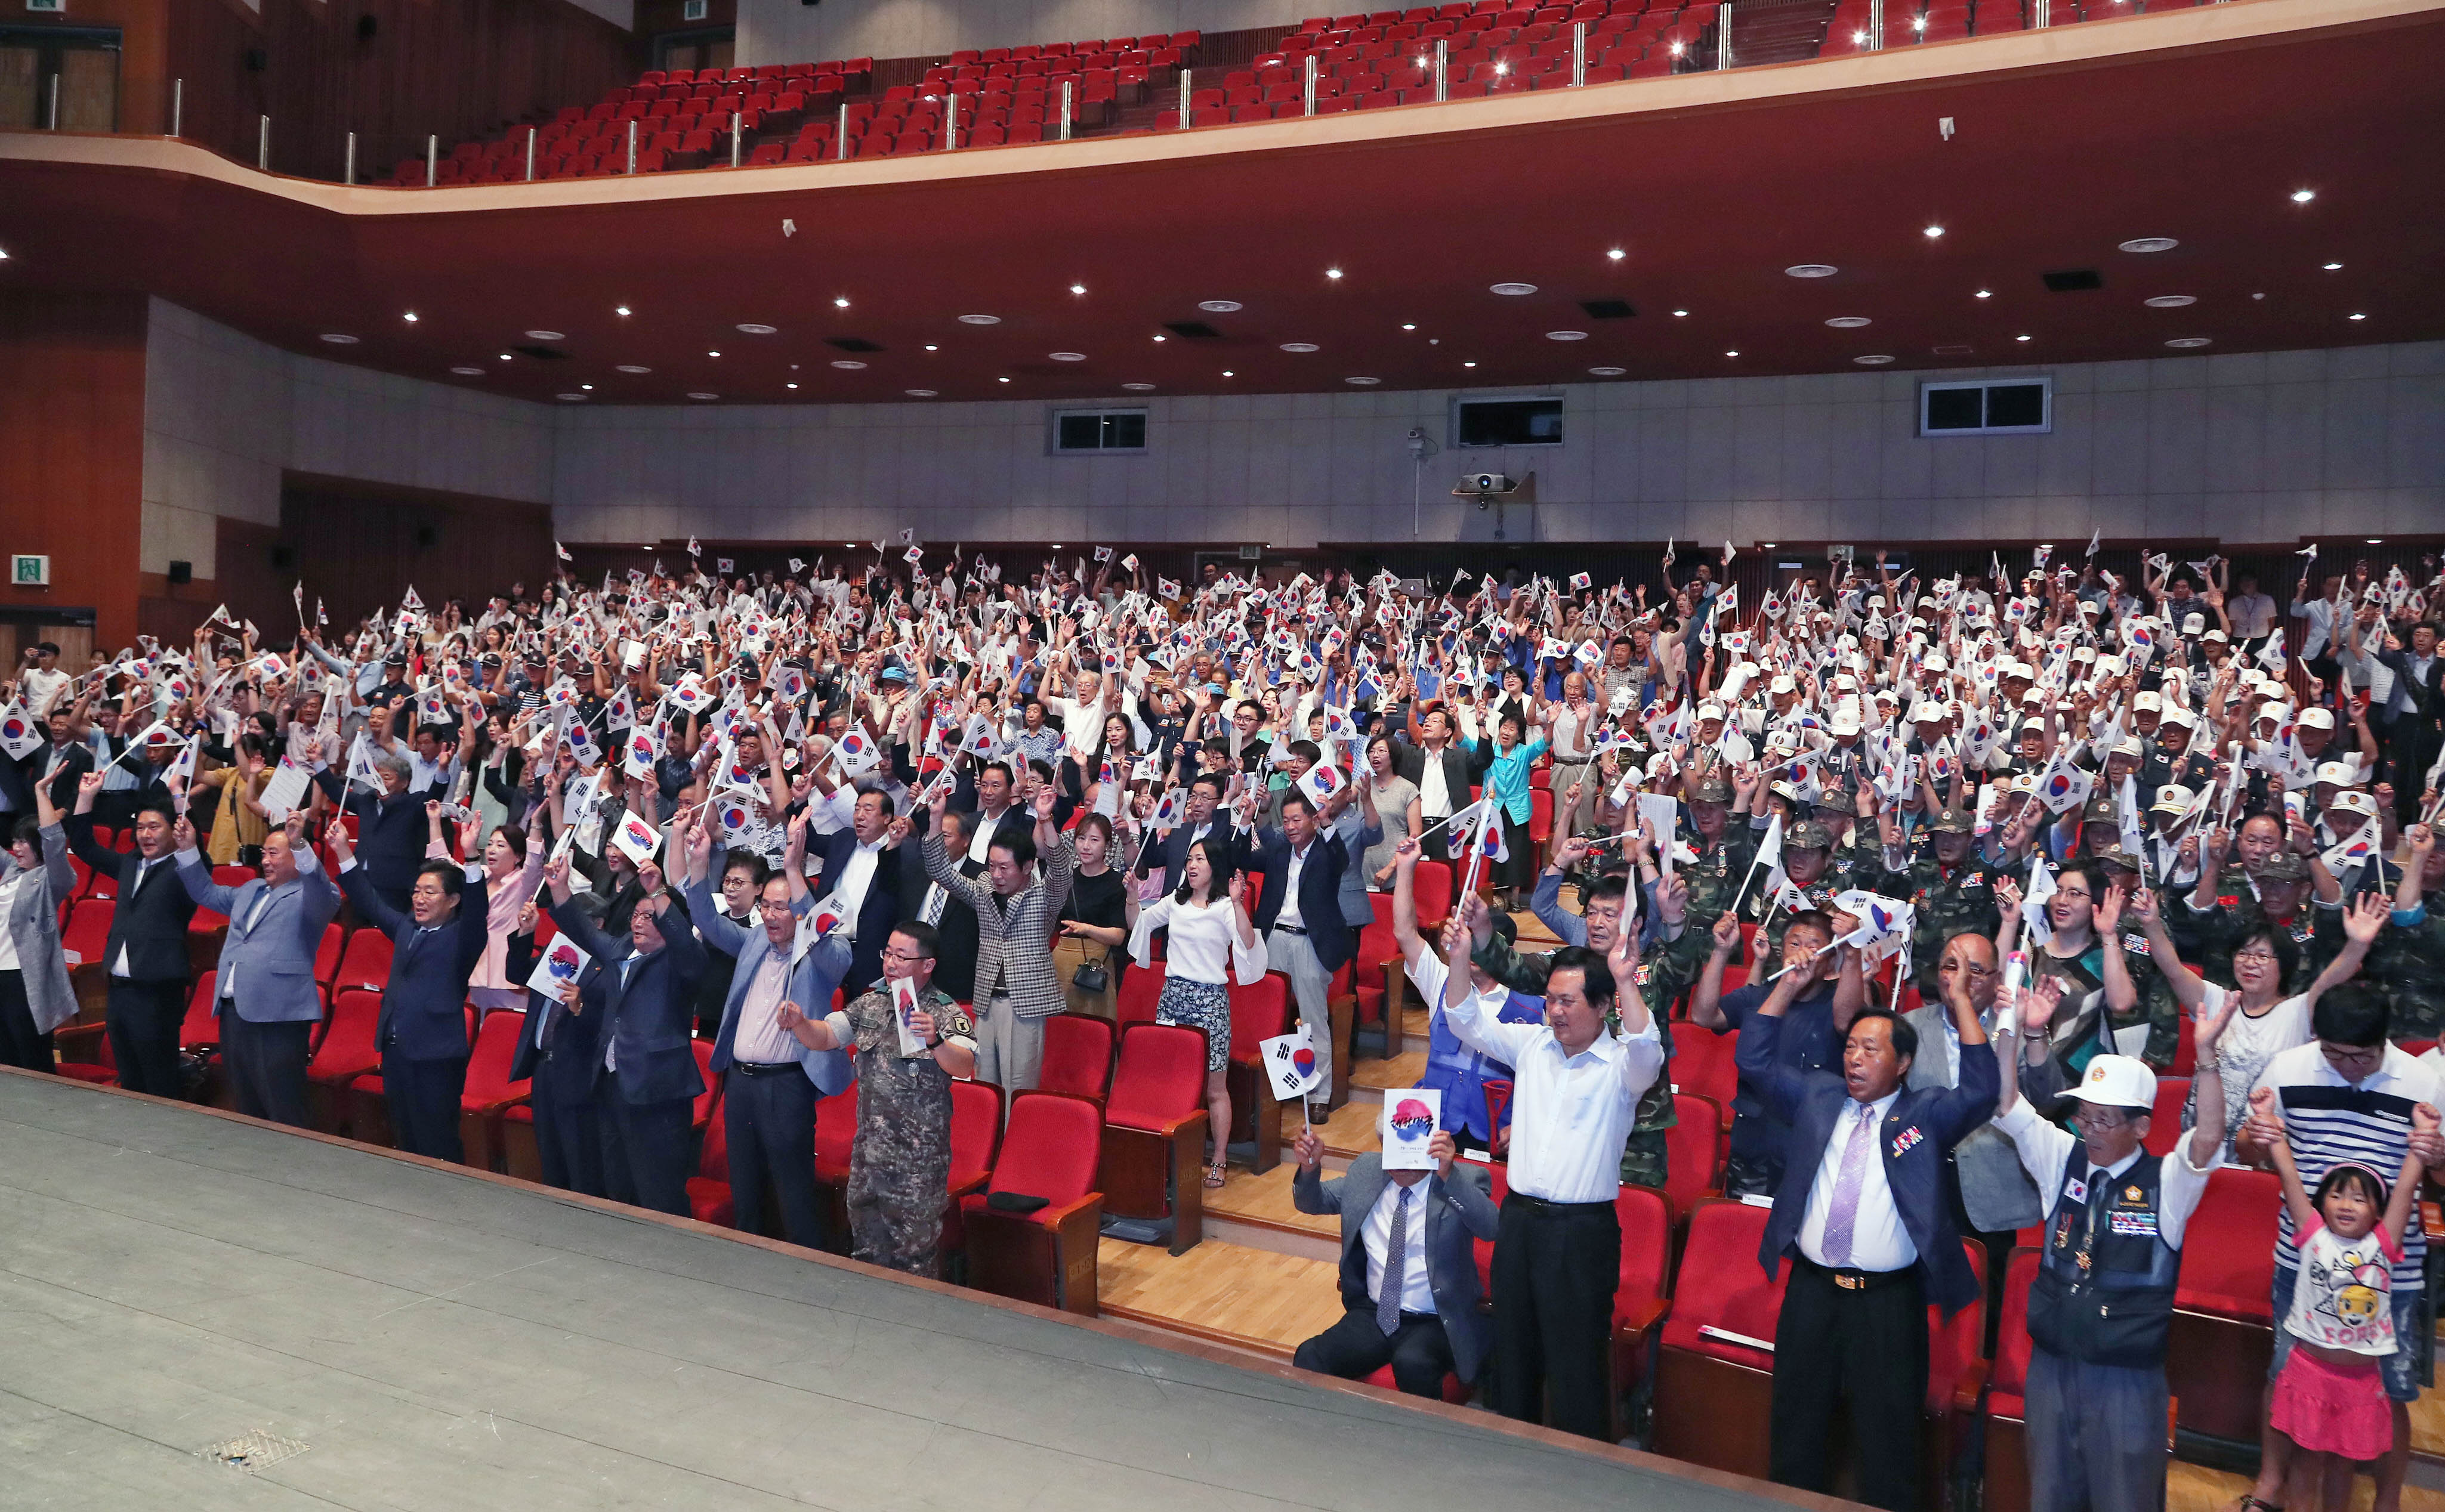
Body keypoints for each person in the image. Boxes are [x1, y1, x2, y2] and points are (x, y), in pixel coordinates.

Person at [1742, 948, 1998, 1511]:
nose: (1855, 1059)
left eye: (1871, 1049)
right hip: (1811, 1293)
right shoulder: (1819, 1096)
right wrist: (1789, 986)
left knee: (1888, 1447)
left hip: (1886, 1305)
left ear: (1903, 1063)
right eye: (1851, 1047)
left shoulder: (1925, 1115)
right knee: (1795, 1431)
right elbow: (1755, 1061)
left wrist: (1959, 1000)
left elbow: (1981, 1093)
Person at [1992, 973, 2237, 1512]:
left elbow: (2209, 1139)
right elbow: (2007, 1104)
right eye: (2084, 1115)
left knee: (2124, 1501)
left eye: (2104, 1119)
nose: (2089, 1129)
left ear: (2142, 1126)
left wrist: (2207, 1058)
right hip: (2053, 1369)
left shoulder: (2167, 1184)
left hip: (2125, 1382)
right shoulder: (2063, 1157)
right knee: (2049, 1497)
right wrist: (2014, 1030)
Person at [1435, 919, 1663, 1440]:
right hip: (1520, 1222)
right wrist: (1459, 957)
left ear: (1603, 1008)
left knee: (1576, 1362)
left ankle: (1579, 1476)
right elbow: (1464, 1018)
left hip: (1581, 1232)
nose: (1555, 1011)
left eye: (1568, 1001)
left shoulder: (1622, 1066)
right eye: (1551, 1000)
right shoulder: (1532, 1046)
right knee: (1513, 1351)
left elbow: (1649, 1048)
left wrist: (1627, 980)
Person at [2237, 986, 2445, 1512]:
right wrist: (2258, 1138)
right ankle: (2269, 1483)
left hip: (2390, 1271)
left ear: (2385, 1044)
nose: (2348, 1067)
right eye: (2335, 1054)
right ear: (2317, 1038)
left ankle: (2388, 1499)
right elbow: (2247, 1150)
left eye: (2362, 1057)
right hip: (2303, 1259)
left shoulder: (2425, 1081)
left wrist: (2438, 1156)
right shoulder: (2287, 1069)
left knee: (2391, 1388)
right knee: (2284, 1375)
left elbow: (2439, 1174)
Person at [681, 809, 854, 1250]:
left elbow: (824, 942)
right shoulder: (756, 939)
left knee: (793, 1192)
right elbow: (706, 920)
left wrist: (794, 870)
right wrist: (700, 865)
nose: (772, 914)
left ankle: (804, 1274)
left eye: (782, 906)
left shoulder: (826, 954)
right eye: (766, 906)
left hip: (787, 1086)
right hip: (740, 1082)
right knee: (745, 1187)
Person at [774, 921, 977, 1274]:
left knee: (913, 1260)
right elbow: (825, 1036)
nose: (891, 963)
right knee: (866, 1255)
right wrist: (801, 1023)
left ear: (927, 965)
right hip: (869, 1157)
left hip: (917, 1165)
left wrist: (936, 1042)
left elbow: (965, 1064)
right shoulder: (871, 1003)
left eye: (902, 956)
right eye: (888, 953)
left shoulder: (945, 1013)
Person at [2263, 1098, 2435, 1510]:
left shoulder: (2385, 1244)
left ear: (2378, 1210)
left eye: (2359, 1199)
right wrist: (2271, 1119)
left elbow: (2408, 1186)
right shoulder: (2311, 1235)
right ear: (2323, 1202)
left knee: (2343, 1468)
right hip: (2310, 1373)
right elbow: (2288, 1173)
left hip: (2360, 1381)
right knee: (2306, 1463)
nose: (2345, 1204)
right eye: (2338, 1195)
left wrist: (2422, 1136)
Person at [542, 847, 708, 1217]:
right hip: (612, 1084)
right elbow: (584, 931)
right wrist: (560, 890)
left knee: (658, 1192)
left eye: (649, 918)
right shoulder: (621, 951)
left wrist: (659, 892)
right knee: (617, 1186)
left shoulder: (682, 962)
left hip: (658, 1093)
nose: (638, 922)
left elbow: (684, 942)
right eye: (635, 914)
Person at [1288, 1120, 1500, 1399]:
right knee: (1310, 1356)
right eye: (1391, 1148)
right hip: (1374, 1314)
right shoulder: (1367, 1171)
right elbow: (1313, 1201)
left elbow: (1491, 1227)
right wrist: (1309, 1167)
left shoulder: (1464, 1179)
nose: (1400, 1161)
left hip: (1435, 1318)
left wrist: (1450, 1176)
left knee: (1412, 1364)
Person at [328, 809, 493, 1162]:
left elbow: (478, 911)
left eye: (430, 893)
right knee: (404, 1134)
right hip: (396, 1046)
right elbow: (369, 901)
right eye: (417, 892)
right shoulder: (407, 927)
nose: (419, 899)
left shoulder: (464, 938)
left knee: (437, 1138)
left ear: (453, 900)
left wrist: (473, 857)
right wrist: (343, 851)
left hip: (435, 1053)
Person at [171, 812, 342, 1127]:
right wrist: (188, 849)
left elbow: (320, 885)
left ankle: (293, 1168)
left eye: (274, 853)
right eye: (263, 853)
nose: (265, 860)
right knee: (247, 1101)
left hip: (279, 1015)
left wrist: (301, 843)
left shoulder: (313, 896)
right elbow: (205, 892)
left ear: (295, 858)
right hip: (235, 1010)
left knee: (283, 1102)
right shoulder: (250, 890)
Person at [1128, 838, 1267, 1186]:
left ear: (1213, 867)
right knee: (1170, 1080)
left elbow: (1248, 943)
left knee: (1214, 1087)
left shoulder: (1223, 907)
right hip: (1174, 996)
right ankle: (1172, 1153)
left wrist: (1238, 904)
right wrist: (1132, 895)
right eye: (1189, 859)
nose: (1192, 865)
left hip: (1209, 1000)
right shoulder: (1175, 902)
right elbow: (1139, 924)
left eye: (1200, 860)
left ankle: (1219, 1159)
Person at [919, 781, 1072, 1090]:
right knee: (985, 1083)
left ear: (1028, 867)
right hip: (986, 1001)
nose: (998, 875)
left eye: (1005, 868)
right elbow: (940, 872)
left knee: (1019, 1087)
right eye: (992, 866)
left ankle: (1017, 1139)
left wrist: (1045, 821)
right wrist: (935, 820)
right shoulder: (983, 889)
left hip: (1025, 1004)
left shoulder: (1044, 897)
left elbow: (1063, 871)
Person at [1690, 908, 1851, 1197]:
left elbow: (1849, 1021)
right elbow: (1704, 1016)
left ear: (1829, 961)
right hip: (1754, 1145)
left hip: (1810, 1146)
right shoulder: (1758, 995)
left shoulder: (1836, 1004)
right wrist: (1721, 951)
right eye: (1795, 943)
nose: (1803, 953)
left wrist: (1852, 955)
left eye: (1815, 946)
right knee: (1743, 1231)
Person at [64, 771, 195, 1098]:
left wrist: (179, 797)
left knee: (159, 1083)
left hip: (156, 994)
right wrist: (86, 797)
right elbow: (83, 845)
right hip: (119, 992)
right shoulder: (129, 865)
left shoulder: (184, 871)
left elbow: (198, 852)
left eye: (155, 827)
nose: (145, 835)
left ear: (174, 831)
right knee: (130, 1084)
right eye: (140, 828)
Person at [1246, 787, 1375, 1119]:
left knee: (1314, 1019)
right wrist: (1252, 818)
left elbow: (1341, 861)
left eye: (1296, 820)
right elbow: (1243, 855)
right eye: (1285, 820)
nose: (1289, 826)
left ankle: (1319, 1094)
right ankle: (1276, 1087)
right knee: (1269, 1015)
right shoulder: (1277, 851)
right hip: (1275, 938)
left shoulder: (1327, 852)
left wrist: (1328, 823)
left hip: (1309, 942)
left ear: (1313, 821)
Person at [507, 892, 607, 1198]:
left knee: (579, 1161)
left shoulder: (605, 967)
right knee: (548, 1154)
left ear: (598, 925)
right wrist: (526, 933)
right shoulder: (558, 955)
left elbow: (601, 1023)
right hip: (543, 1068)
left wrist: (581, 1006)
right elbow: (516, 973)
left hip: (577, 1072)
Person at [0, 780, 76, 1072]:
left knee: (31, 1057)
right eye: (15, 841)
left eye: (24, 842)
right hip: (1, 976)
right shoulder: (12, 870)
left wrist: (41, 793)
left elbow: (55, 842)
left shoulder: (52, 879)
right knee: (5, 1055)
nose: (16, 848)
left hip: (25, 979)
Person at [1054, 811, 1132, 1019]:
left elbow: (1118, 936)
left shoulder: (1116, 883)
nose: (1086, 846)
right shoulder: (1067, 878)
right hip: (1061, 963)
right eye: (1081, 838)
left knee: (1094, 1032)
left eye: (1094, 840)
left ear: (1108, 845)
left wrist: (1085, 928)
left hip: (1096, 966)